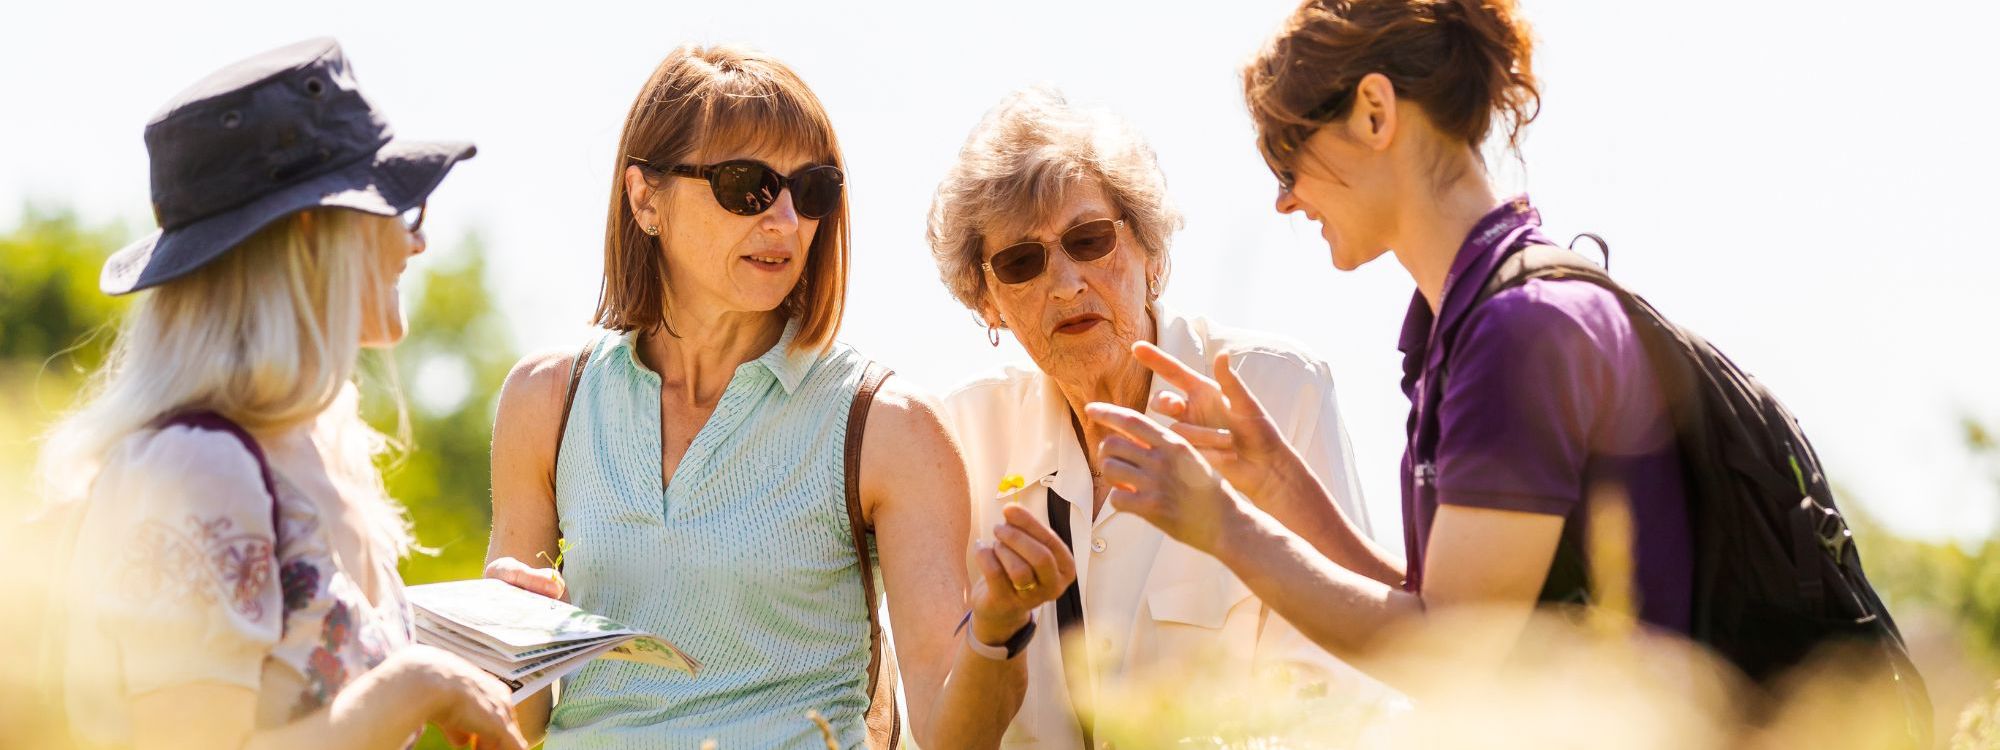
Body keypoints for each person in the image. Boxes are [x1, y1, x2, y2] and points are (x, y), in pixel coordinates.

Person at [1085, 0, 1695, 688]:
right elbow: (1441, 615)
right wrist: (1278, 485)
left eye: (1288, 159)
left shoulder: (1514, 332)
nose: (1284, 202)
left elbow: (1445, 657)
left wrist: (1224, 524)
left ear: (1375, 111)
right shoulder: (1471, 324)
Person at [484, 44, 1074, 749]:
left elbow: (953, 735)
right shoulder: (547, 400)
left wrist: (997, 629)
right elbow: (512, 730)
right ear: (646, 199)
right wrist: (502, 647)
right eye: (748, 186)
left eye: (814, 190)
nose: (788, 221)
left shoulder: (886, 425)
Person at [38, 38, 525, 749]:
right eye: (400, 210)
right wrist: (416, 685)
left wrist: (489, 636)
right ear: (311, 233)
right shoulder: (197, 464)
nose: (416, 244)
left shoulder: (319, 447)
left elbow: (305, 675)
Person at [927, 86, 1390, 747]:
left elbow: (1330, 685)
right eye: (1021, 262)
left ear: (1152, 255)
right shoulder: (962, 436)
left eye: (1088, 241)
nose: (1064, 283)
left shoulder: (1274, 391)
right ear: (989, 304)